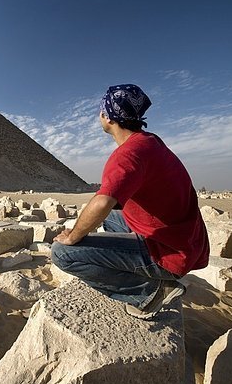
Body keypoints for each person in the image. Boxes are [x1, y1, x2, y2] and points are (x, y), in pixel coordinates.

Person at [51, 84, 209, 319]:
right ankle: (149, 275)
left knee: (62, 253)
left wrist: (74, 235)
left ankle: (150, 292)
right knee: (115, 218)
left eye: (100, 110)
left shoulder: (127, 155)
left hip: (169, 253)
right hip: (187, 242)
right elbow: (115, 203)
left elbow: (102, 202)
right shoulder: (150, 142)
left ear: (108, 116)